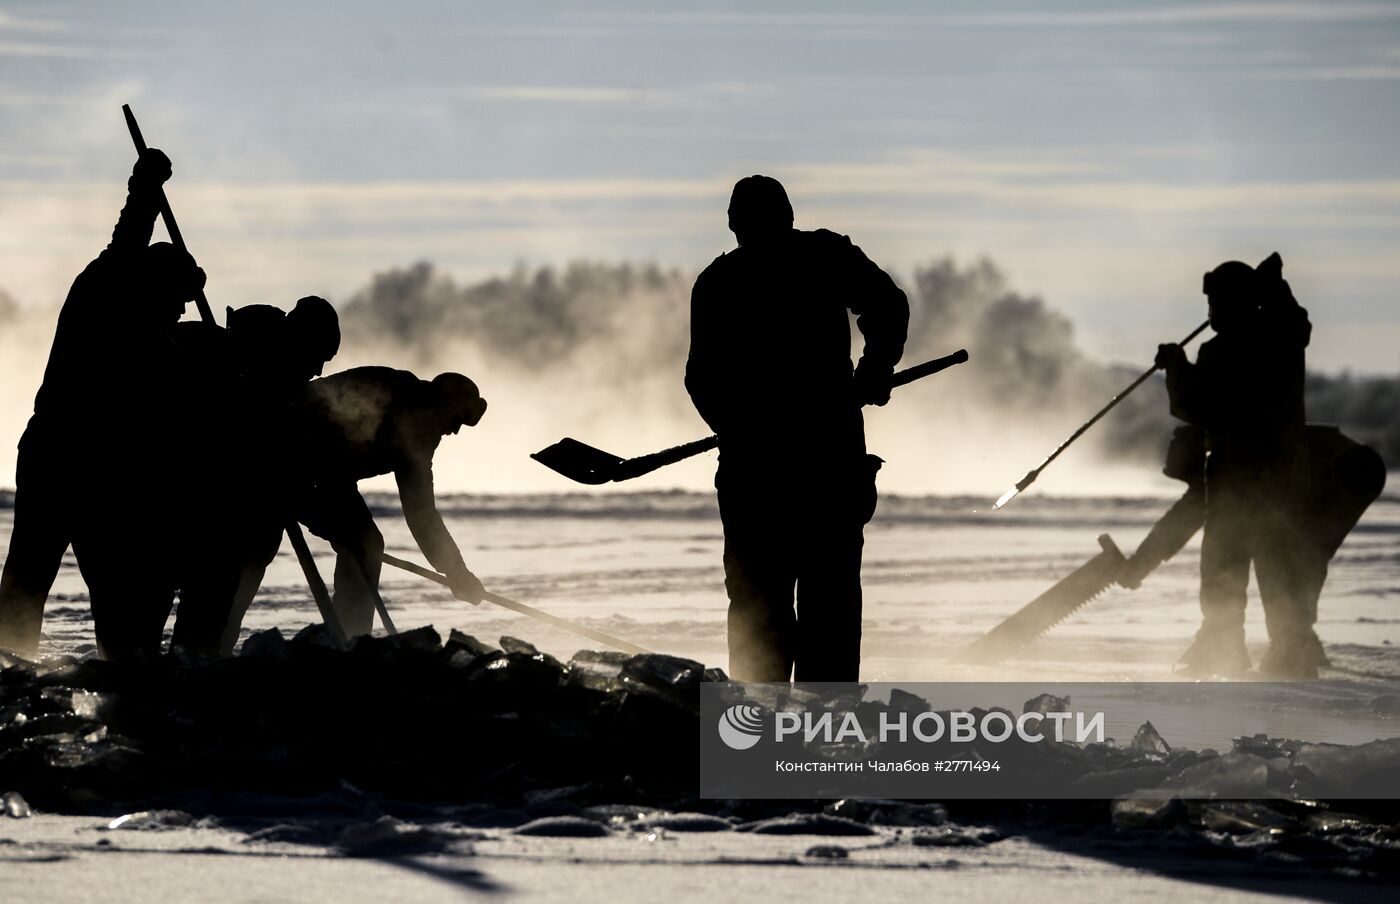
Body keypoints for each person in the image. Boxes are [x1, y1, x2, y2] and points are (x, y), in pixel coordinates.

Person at [685, 175, 909, 682]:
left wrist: (877, 365)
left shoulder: (812, 260)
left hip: (809, 469)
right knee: (782, 609)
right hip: (774, 469)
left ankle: (785, 735)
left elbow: (885, 306)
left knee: (802, 607)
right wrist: (742, 427)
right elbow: (703, 379)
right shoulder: (729, 280)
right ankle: (782, 734)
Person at [0, 148, 206, 659]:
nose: (180, 311)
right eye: (177, 300)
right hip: (57, 455)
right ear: (155, 284)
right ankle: (9, 668)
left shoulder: (159, 339)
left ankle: (119, 670)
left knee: (112, 588)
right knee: (29, 578)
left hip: (98, 469)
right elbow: (129, 238)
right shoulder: (109, 286)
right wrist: (144, 189)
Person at [1155, 253, 1320, 677]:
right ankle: (1289, 649)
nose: (1209, 311)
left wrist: (1176, 367)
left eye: (1215, 302)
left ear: (1232, 303)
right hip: (1282, 475)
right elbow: (1296, 320)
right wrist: (1275, 289)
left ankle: (1229, 644)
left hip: (1238, 479)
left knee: (1225, 564)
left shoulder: (1223, 350)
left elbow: (1198, 406)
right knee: (1278, 565)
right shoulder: (1282, 336)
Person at [262, 366, 489, 640]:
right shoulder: (394, 395)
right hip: (288, 455)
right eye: (456, 420)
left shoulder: (419, 434)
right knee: (358, 542)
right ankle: (349, 638)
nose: (453, 431)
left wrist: (456, 571)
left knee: (366, 544)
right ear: (443, 402)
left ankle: (350, 637)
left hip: (328, 476)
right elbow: (315, 405)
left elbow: (421, 512)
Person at [169, 297, 342, 656]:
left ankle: (204, 662)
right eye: (320, 357)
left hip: (253, 516)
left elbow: (292, 461)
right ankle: (185, 667)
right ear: (302, 342)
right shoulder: (246, 367)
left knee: (227, 599)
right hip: (210, 506)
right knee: (208, 592)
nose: (320, 370)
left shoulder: (288, 388)